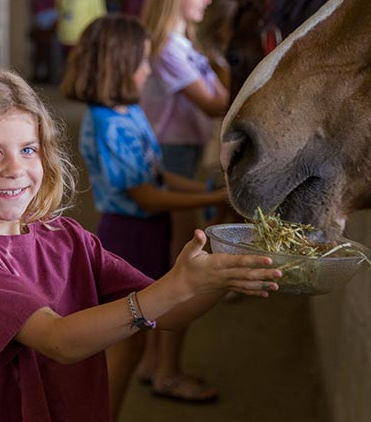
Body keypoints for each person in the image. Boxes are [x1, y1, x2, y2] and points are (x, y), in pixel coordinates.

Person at [0, 67, 280, 422]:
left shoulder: (65, 237)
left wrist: (222, 273)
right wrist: (175, 286)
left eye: (28, 149)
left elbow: (169, 314)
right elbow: (58, 341)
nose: (14, 168)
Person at [61, 14, 233, 415]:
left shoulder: (130, 112)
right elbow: (147, 197)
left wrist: (212, 192)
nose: (146, 70)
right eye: (141, 62)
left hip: (148, 232)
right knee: (128, 342)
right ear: (119, 66)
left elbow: (157, 174)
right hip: (129, 235)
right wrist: (207, 201)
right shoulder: (107, 125)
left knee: (138, 335)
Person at [138, 0, 231, 403]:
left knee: (173, 258)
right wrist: (224, 70)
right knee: (183, 264)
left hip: (183, 150)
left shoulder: (183, 44)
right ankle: (167, 371)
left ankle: (153, 362)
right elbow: (216, 102)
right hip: (172, 150)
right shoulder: (169, 49)